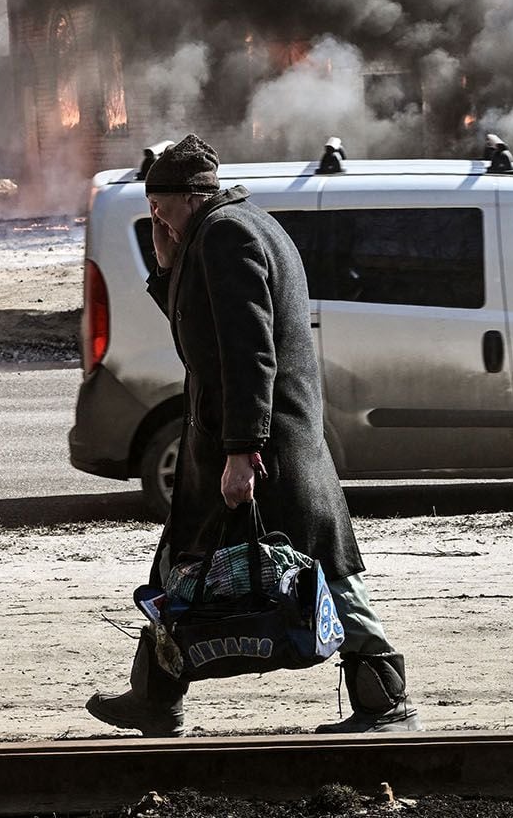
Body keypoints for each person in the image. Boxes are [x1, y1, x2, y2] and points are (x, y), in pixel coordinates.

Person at [86, 134, 421, 737]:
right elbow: (206, 325)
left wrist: (243, 451)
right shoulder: (234, 226)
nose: (154, 214)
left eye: (160, 204)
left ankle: (384, 696)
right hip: (239, 439)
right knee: (178, 567)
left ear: (192, 195)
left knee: (320, 570)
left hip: (260, 447)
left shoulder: (227, 235)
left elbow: (248, 355)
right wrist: (166, 268)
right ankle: (156, 695)